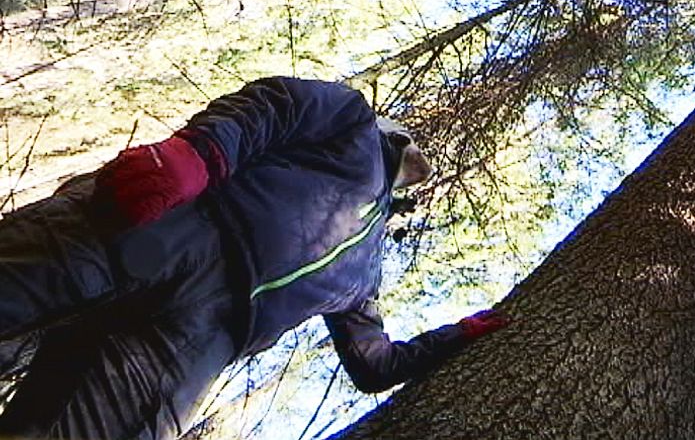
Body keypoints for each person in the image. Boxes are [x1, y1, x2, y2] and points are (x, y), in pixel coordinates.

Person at [0, 76, 509, 439]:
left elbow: (374, 363)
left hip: (194, 346)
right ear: (394, 138)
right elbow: (275, 105)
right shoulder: (353, 122)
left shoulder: (366, 271)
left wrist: (457, 335)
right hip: (176, 228)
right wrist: (198, 155)